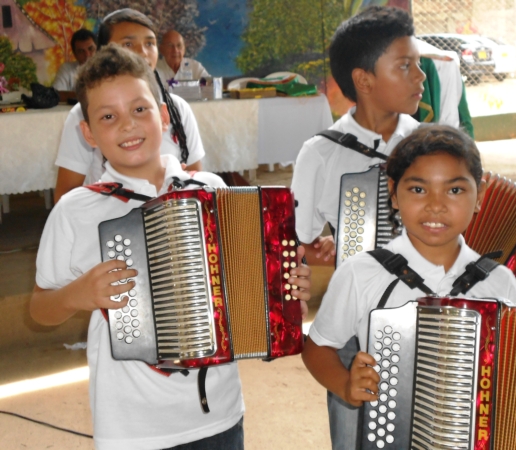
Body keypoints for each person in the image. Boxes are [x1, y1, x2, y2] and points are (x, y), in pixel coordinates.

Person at [31, 44, 311, 449]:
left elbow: (255, 295)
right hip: (131, 425)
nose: (128, 125)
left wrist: (285, 294)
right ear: (88, 133)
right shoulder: (75, 210)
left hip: (218, 413)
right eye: (108, 116)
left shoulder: (212, 191)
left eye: (140, 109)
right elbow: (41, 309)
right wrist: (79, 294)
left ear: (164, 116)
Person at [301, 124, 516, 445]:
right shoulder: (360, 273)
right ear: (394, 193)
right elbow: (317, 347)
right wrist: (346, 384)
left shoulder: (500, 283)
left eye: (455, 190)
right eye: (418, 189)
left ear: (479, 196)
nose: (436, 205)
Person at [291, 6, 425, 268]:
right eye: (405, 66)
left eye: (418, 64)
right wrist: (343, 251)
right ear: (364, 81)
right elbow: (300, 243)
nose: (421, 75)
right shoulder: (320, 154)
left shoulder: (428, 143)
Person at [53, 9, 203, 203]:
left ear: (163, 117)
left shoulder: (178, 108)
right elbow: (66, 195)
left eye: (150, 43)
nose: (143, 52)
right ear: (105, 52)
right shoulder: (84, 114)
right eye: (128, 43)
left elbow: (197, 183)